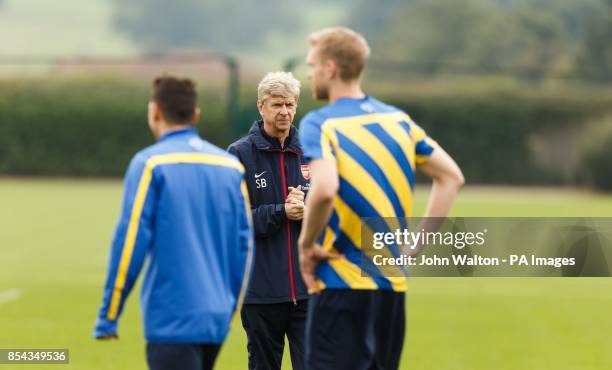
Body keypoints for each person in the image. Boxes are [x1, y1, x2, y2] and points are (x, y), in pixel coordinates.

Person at [297, 27, 465, 370]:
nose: (309, 72)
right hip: (391, 286)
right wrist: (417, 243)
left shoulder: (321, 123)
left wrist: (306, 245)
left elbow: (325, 188)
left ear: (330, 68)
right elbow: (451, 177)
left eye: (312, 64)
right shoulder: (399, 121)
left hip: (340, 282)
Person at [93, 75, 254, 370]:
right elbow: (245, 245)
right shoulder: (230, 166)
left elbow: (130, 241)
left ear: (154, 111)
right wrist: (230, 310)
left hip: (172, 320)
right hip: (215, 319)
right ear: (196, 115)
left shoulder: (150, 163)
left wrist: (109, 313)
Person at [228, 72, 310, 370]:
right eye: (277, 105)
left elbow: (332, 212)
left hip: (309, 290)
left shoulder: (312, 152)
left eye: (290, 104)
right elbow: (233, 222)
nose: (285, 112)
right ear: (261, 106)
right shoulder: (239, 154)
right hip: (260, 292)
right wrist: (280, 212)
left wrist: (307, 211)